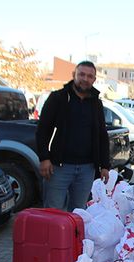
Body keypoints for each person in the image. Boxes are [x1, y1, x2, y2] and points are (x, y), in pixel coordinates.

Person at [36, 61, 110, 212]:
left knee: (78, 214)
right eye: (81, 74)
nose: (85, 79)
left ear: (94, 79)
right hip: (59, 168)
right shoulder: (58, 98)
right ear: (74, 75)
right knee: (53, 212)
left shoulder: (96, 103)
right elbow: (43, 129)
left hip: (87, 169)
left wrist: (105, 165)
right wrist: (44, 158)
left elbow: (102, 134)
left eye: (90, 76)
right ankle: (54, 237)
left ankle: (72, 237)